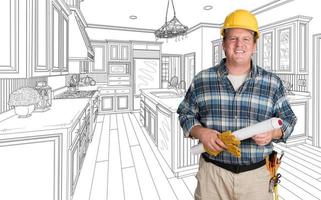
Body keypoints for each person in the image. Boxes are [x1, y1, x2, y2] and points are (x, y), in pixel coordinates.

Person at [177, 9, 297, 200]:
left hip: (256, 177)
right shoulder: (202, 80)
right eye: (232, 38)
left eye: (246, 39)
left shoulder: (272, 83)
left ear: (254, 45)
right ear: (223, 44)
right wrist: (201, 132)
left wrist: (273, 133)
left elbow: (289, 120)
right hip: (212, 175)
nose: (239, 44)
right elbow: (185, 114)